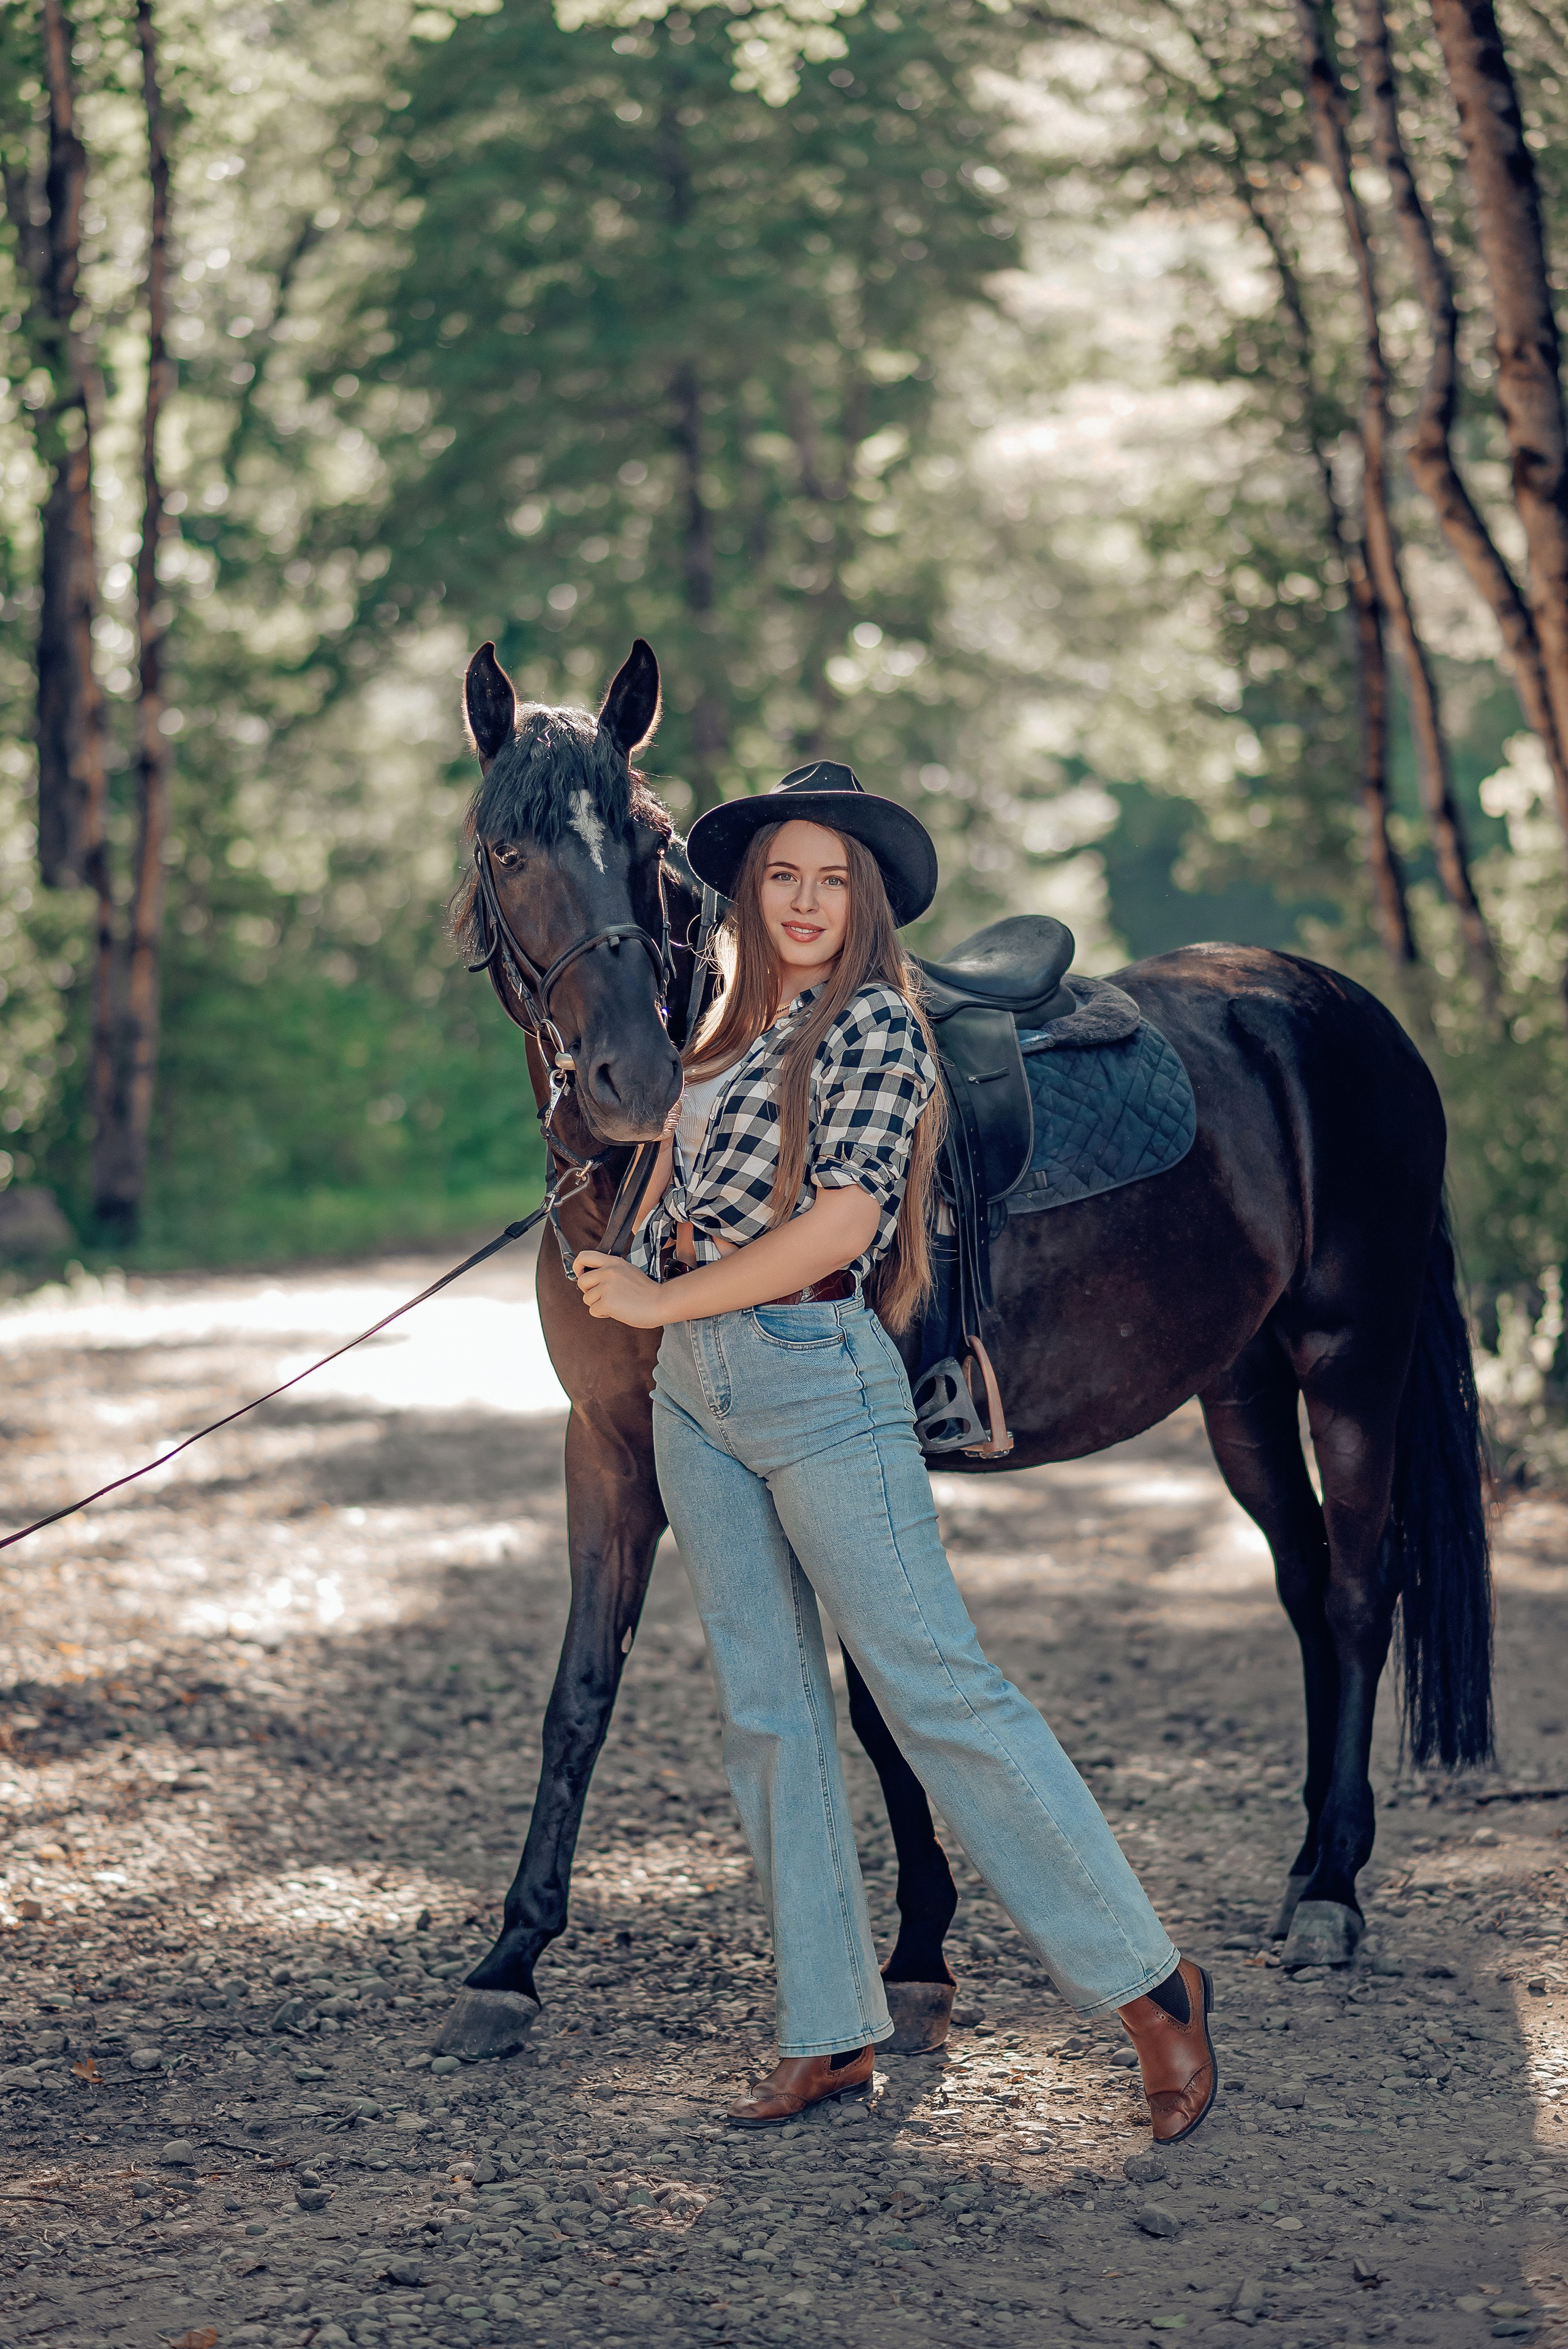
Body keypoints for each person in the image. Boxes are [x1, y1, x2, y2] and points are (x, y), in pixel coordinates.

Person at [574, 761, 1215, 2143]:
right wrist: (637, 1259)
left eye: (832, 879)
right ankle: (828, 2031)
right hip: (698, 1391)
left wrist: (660, 1299)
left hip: (814, 1374)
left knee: (936, 1689)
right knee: (766, 1711)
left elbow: (843, 1227)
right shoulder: (721, 1029)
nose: (804, 901)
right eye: (782, 877)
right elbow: (689, 1189)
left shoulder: (876, 1025)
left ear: (862, 899)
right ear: (749, 891)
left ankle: (1150, 1986)